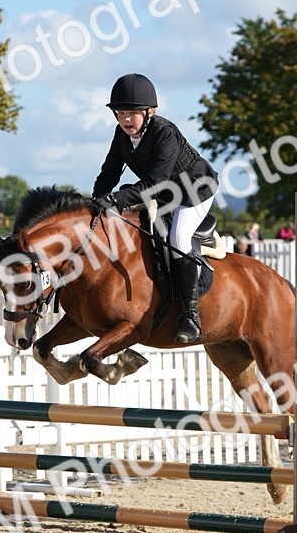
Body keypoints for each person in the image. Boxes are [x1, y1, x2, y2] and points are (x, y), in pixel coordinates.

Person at [89, 73, 219, 344]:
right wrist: (97, 201)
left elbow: (154, 183)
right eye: (120, 113)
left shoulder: (164, 133)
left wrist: (116, 199)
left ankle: (190, 316)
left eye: (132, 113)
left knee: (177, 238)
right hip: (164, 193)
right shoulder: (121, 135)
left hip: (194, 190)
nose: (125, 120)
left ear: (150, 112)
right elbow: (109, 173)